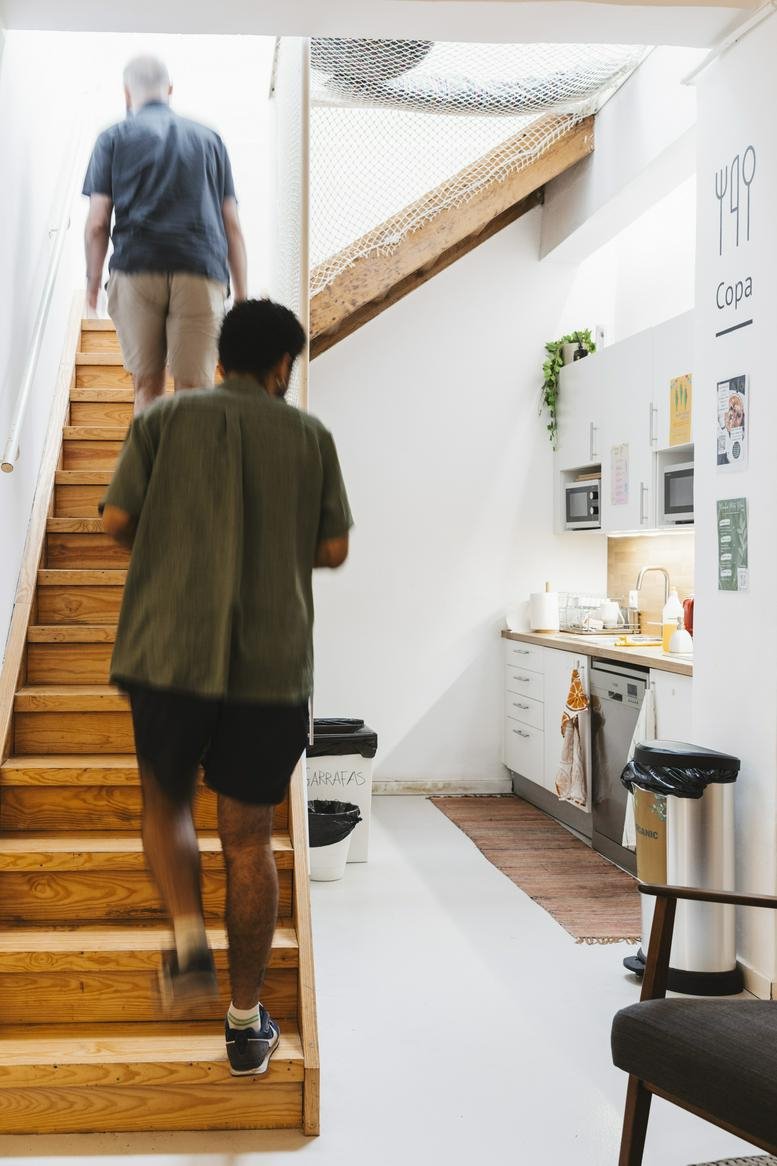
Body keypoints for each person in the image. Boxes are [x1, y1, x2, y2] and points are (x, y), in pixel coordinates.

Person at [101, 299, 352, 1075]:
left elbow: (114, 521)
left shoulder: (162, 421)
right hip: (267, 669)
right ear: (281, 366)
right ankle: (244, 1025)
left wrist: (174, 541)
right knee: (248, 840)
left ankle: (184, 932)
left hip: (167, 651)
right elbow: (334, 547)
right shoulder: (309, 437)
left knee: (166, 801)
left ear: (220, 357)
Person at [83, 55, 248, 414]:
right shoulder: (210, 139)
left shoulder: (112, 138)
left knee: (147, 388)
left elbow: (97, 223)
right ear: (170, 89)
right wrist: (243, 297)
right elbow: (231, 224)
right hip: (200, 268)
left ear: (126, 93)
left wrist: (92, 286)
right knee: (194, 389)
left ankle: (150, 470)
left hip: (137, 268)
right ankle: (190, 469)